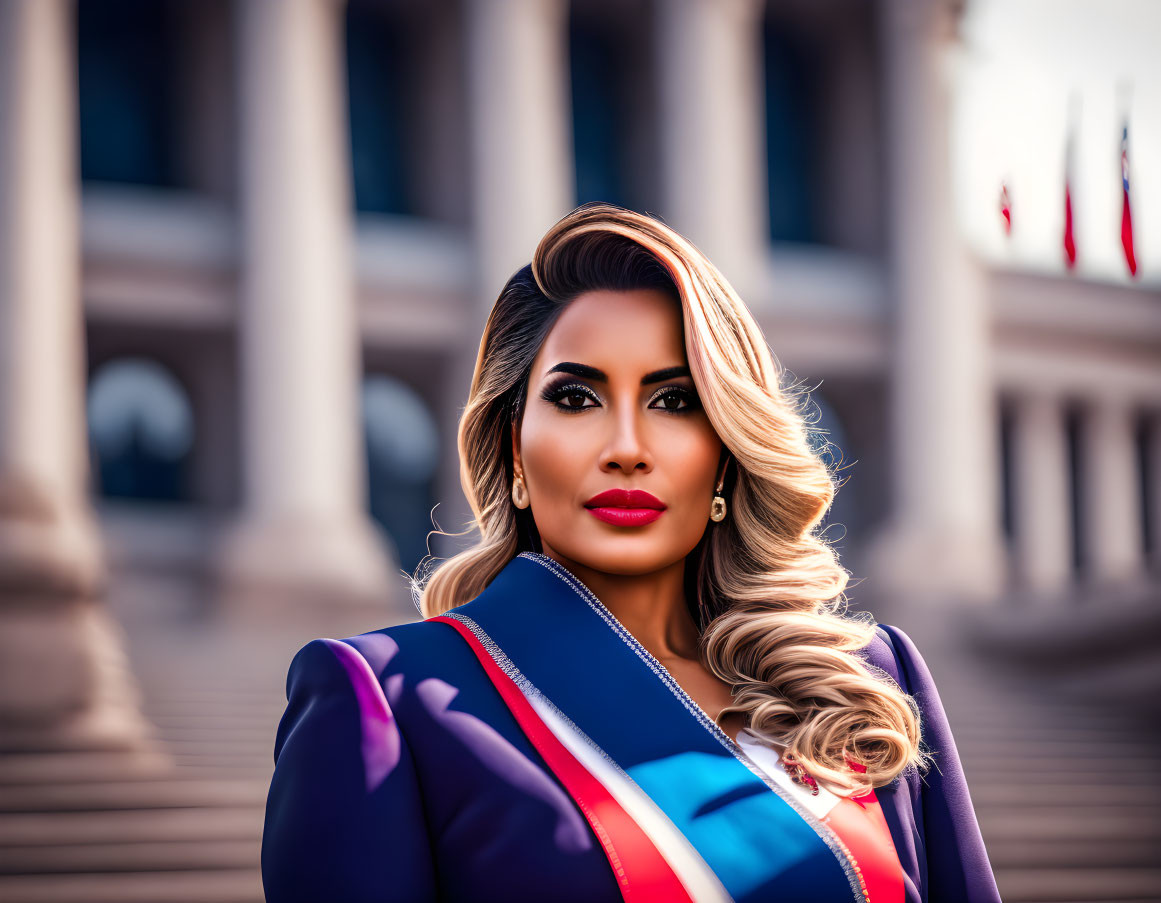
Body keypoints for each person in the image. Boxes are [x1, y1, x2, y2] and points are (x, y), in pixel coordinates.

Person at [260, 203, 1001, 903]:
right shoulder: (384, 700)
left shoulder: (861, 679)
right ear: (511, 449)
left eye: (674, 400)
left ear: (726, 450)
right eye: (577, 399)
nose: (625, 449)